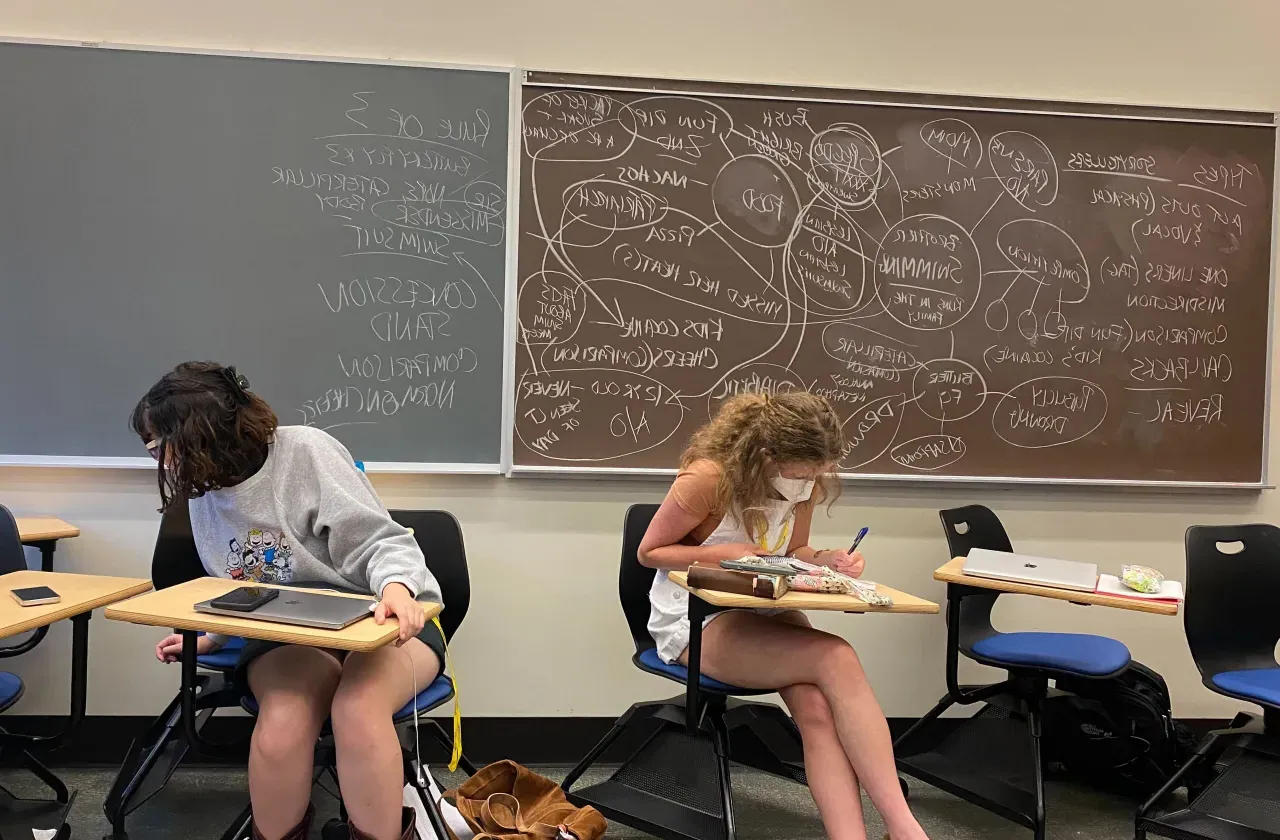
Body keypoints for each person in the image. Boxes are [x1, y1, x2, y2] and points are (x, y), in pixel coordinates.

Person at [134, 361, 441, 840]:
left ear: (200, 438)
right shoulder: (203, 489)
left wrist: (398, 587)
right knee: (283, 722)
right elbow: (248, 584)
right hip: (292, 637)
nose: (159, 458)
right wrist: (215, 634)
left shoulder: (307, 452)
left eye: (159, 444)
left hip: (381, 620)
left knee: (358, 710)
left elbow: (381, 541)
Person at [638, 391, 929, 840]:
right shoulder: (707, 479)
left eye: (820, 472)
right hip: (696, 616)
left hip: (764, 607)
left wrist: (829, 560)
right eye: (802, 471)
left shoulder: (804, 484)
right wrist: (722, 553)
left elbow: (795, 552)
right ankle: (905, 827)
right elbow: (650, 552)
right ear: (765, 454)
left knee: (815, 707)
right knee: (836, 656)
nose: (810, 481)